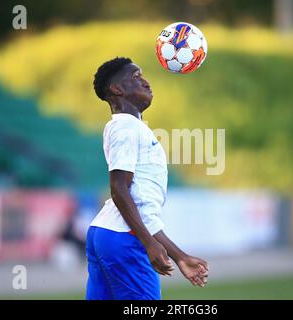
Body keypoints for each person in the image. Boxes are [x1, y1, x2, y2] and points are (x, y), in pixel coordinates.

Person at [86, 57, 209, 300]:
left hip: (106, 231)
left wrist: (179, 256)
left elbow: (138, 205)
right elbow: (119, 188)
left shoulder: (129, 127)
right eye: (135, 76)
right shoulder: (126, 128)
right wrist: (148, 242)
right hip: (125, 238)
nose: (145, 81)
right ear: (116, 89)